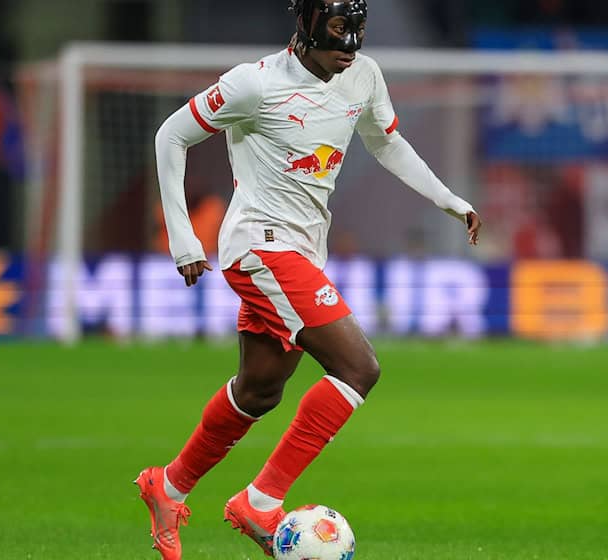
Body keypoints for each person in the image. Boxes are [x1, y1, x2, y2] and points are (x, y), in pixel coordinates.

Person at [134, 1, 482, 558]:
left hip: (303, 252)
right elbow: (170, 135)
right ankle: (261, 502)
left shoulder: (363, 76)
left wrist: (448, 200)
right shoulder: (253, 84)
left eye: (358, 30)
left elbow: (386, 141)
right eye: (339, 29)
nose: (350, 45)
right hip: (260, 247)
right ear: (308, 22)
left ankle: (167, 487)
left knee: (259, 390)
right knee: (358, 368)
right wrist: (183, 238)